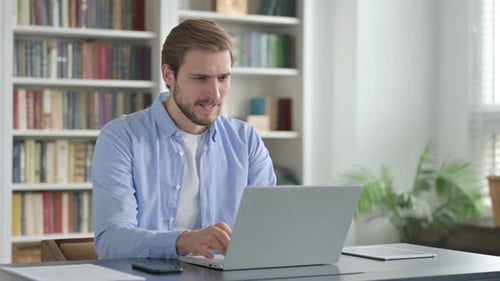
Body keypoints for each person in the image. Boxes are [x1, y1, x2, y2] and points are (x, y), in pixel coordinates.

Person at [91, 19, 277, 259]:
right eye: (200, 78)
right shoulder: (121, 138)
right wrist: (184, 241)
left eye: (223, 78)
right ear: (169, 75)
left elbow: (267, 230)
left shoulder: (246, 139)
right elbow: (112, 240)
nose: (215, 93)